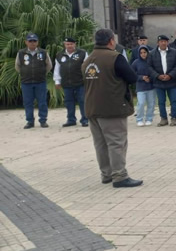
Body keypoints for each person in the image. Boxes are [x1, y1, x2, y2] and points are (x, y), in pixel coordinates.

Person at [82, 28, 141, 188]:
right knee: (116, 142)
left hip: (92, 108)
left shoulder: (88, 61)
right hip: (112, 107)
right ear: (111, 41)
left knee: (100, 143)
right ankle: (120, 176)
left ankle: (106, 174)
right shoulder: (115, 57)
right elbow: (132, 77)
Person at [15, 33, 52, 129]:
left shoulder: (43, 52)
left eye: (34, 41)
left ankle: (43, 121)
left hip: (40, 82)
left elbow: (49, 66)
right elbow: (17, 66)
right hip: (26, 82)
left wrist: (41, 73)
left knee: (42, 102)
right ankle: (30, 121)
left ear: (37, 42)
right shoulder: (21, 53)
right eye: (30, 41)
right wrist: (25, 73)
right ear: (26, 42)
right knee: (28, 102)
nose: (32, 43)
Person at [53, 37, 89, 127]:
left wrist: (88, 79)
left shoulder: (82, 53)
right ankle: (71, 119)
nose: (69, 46)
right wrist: (57, 81)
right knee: (69, 101)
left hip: (80, 82)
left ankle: (85, 119)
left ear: (75, 44)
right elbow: (57, 68)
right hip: (66, 82)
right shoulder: (60, 54)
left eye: (71, 44)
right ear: (64, 44)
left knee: (82, 100)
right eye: (67, 44)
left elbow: (87, 67)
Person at [148, 35, 176, 127]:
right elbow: (149, 67)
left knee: (174, 101)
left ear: (168, 42)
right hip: (159, 82)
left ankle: (174, 118)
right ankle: (163, 119)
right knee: (161, 101)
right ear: (158, 43)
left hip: (172, 81)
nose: (163, 43)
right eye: (161, 41)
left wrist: (170, 75)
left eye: (165, 41)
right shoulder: (152, 53)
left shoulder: (174, 52)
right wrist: (157, 76)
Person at [131, 46, 155, 126]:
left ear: (147, 53)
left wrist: (150, 78)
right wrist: (141, 77)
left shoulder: (151, 61)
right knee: (141, 103)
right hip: (140, 87)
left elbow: (155, 72)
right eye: (141, 53)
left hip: (151, 86)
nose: (143, 54)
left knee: (151, 103)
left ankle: (149, 118)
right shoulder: (136, 62)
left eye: (144, 52)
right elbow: (132, 74)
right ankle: (139, 119)